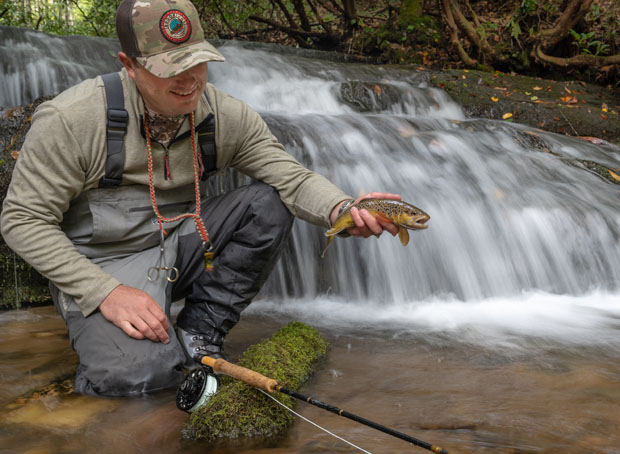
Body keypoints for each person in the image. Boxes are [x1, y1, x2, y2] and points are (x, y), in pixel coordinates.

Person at [0, 0, 400, 397]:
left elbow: (291, 179)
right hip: (99, 263)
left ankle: (199, 333)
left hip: (182, 244)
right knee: (137, 381)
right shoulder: (73, 120)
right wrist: (105, 293)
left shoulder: (226, 117)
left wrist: (345, 209)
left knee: (267, 203)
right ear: (129, 63)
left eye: (198, 62)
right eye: (169, 68)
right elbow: (22, 220)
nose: (190, 80)